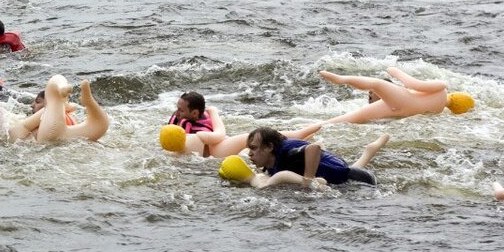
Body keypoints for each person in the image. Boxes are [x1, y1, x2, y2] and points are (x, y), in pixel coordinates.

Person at [318, 67, 474, 125]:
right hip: (398, 112)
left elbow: (414, 84)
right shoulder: (438, 111)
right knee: (351, 118)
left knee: (376, 83)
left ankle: (341, 79)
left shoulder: (442, 88)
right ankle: (310, 127)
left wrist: (397, 72)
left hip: (405, 101)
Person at [244, 127, 389, 186]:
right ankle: (371, 149)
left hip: (350, 176)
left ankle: (373, 147)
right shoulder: (272, 160)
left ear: (269, 147)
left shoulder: (288, 152)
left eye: (254, 148)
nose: (250, 153)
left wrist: (308, 181)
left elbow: (314, 148)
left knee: (353, 169)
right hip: (334, 171)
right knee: (357, 163)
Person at [0, 75, 108, 142]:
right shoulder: (66, 114)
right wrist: (65, 105)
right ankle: (88, 102)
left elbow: (25, 126)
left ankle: (88, 101)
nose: (32, 106)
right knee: (54, 81)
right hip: (57, 135)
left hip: (62, 136)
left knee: (99, 126)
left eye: (38, 102)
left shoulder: (15, 130)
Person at [159, 110, 322, 159]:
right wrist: (214, 113)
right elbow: (220, 134)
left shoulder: (171, 154)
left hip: (215, 157)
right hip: (220, 151)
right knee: (256, 136)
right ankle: (304, 132)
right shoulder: (197, 136)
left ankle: (301, 134)